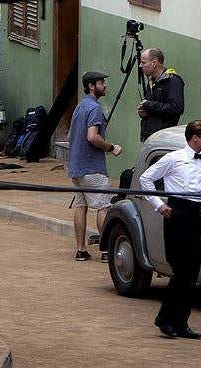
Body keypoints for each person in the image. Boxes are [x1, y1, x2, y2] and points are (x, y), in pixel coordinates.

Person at [139, 120, 201, 339]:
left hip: (197, 213)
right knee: (180, 271)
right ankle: (164, 319)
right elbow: (146, 179)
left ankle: (181, 322)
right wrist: (159, 205)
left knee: (192, 272)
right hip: (177, 212)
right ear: (195, 138)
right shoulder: (173, 158)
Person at [68, 71, 123, 262]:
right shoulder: (94, 108)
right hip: (93, 167)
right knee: (103, 207)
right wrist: (111, 147)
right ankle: (107, 250)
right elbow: (92, 136)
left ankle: (81, 249)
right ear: (92, 86)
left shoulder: (79, 107)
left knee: (81, 205)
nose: (105, 86)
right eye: (101, 82)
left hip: (76, 166)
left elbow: (69, 137)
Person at [137, 48, 185, 142]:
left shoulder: (173, 81)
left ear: (154, 63)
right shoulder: (151, 82)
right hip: (149, 136)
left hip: (164, 138)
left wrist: (148, 104)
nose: (140, 66)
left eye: (143, 62)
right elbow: (153, 107)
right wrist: (143, 112)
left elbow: (176, 108)